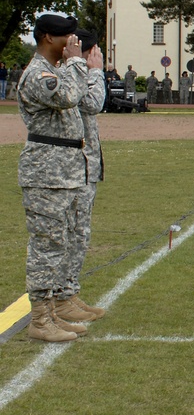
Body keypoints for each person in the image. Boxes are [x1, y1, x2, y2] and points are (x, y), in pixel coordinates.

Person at [18, 14, 105, 342]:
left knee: (62, 242)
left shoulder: (57, 70)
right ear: (46, 38)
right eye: (66, 37)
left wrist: (73, 64)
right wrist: (77, 63)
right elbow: (69, 96)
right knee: (46, 246)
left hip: (64, 171)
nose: (73, 43)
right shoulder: (38, 74)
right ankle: (40, 319)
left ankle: (54, 311)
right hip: (46, 173)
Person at [69, 29, 108, 317]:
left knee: (80, 235)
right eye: (94, 52)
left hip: (86, 165)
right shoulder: (75, 74)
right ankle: (64, 297)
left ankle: (69, 294)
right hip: (75, 167)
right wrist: (96, 72)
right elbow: (93, 104)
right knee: (74, 234)